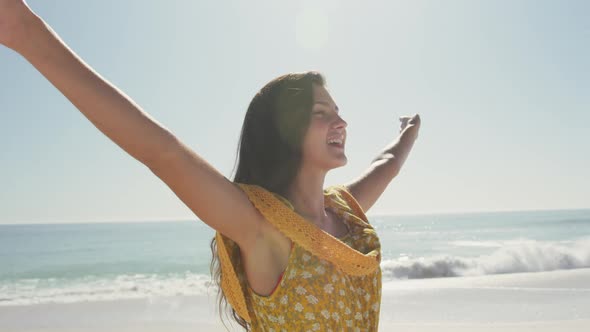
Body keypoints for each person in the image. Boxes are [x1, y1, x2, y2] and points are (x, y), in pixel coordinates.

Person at [0, 1, 421, 331]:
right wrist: (25, 33)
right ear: (285, 132)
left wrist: (407, 134)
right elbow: (162, 153)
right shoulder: (259, 225)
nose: (341, 123)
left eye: (339, 111)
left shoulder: (345, 211)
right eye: (321, 113)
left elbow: (388, 164)